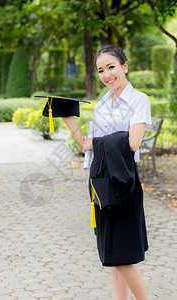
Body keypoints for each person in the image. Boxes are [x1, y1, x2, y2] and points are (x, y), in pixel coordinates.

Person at [62, 45, 151, 300]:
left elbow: (133, 142)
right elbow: (88, 146)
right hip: (101, 181)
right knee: (111, 256)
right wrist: (69, 119)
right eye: (101, 70)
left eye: (111, 67)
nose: (106, 74)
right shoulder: (101, 105)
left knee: (123, 257)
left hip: (124, 180)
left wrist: (97, 143)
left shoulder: (138, 100)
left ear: (124, 66)